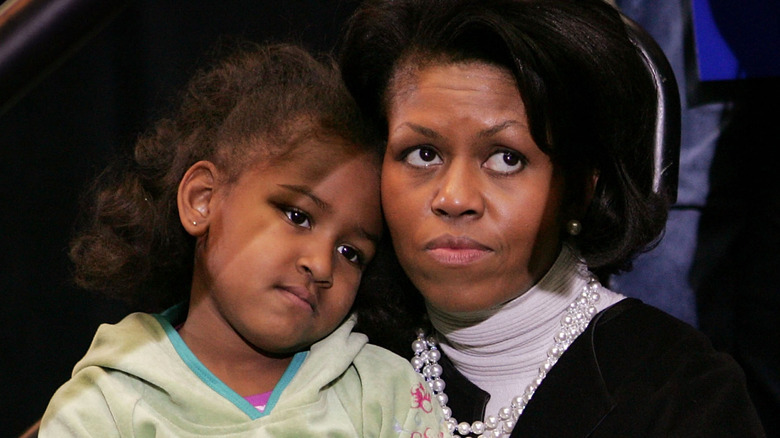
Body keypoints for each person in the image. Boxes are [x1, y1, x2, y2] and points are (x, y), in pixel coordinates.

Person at [338, 0, 767, 436]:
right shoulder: (334, 349)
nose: (454, 197)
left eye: (506, 159)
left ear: (581, 190)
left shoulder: (680, 393)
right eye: (423, 154)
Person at [39, 42, 448, 437]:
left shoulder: (383, 392)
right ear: (203, 200)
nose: (322, 266)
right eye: (298, 216)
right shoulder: (102, 408)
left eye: (351, 253)